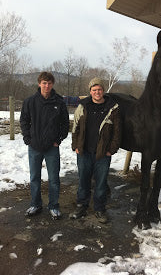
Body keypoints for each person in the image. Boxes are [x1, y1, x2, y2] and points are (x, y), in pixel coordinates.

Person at [71, 77, 121, 223]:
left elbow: (118, 132)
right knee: (83, 181)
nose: (97, 92)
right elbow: (75, 128)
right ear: (90, 92)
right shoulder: (83, 106)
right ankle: (81, 207)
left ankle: (100, 209)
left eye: (99, 89)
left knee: (100, 183)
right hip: (84, 151)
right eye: (94, 90)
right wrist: (75, 146)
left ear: (103, 90)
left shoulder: (112, 108)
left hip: (102, 154)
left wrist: (111, 150)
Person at [20, 71, 69, 219]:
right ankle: (35, 204)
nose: (46, 86)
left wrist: (58, 139)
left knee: (54, 179)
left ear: (52, 84)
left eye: (49, 83)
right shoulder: (30, 102)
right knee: (35, 177)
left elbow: (65, 123)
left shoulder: (59, 102)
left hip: (51, 148)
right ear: (39, 84)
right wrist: (28, 139)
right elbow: (24, 121)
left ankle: (53, 206)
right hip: (34, 147)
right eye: (44, 83)